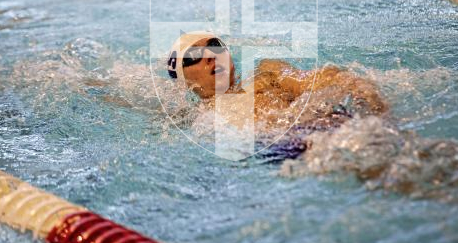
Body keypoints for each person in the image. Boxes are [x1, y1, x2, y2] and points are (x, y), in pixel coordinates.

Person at [166, 31, 389, 159]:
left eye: (215, 45)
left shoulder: (267, 73)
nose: (211, 55)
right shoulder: (193, 117)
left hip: (329, 123)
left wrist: (354, 84)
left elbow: (315, 79)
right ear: (184, 80)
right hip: (281, 149)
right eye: (194, 56)